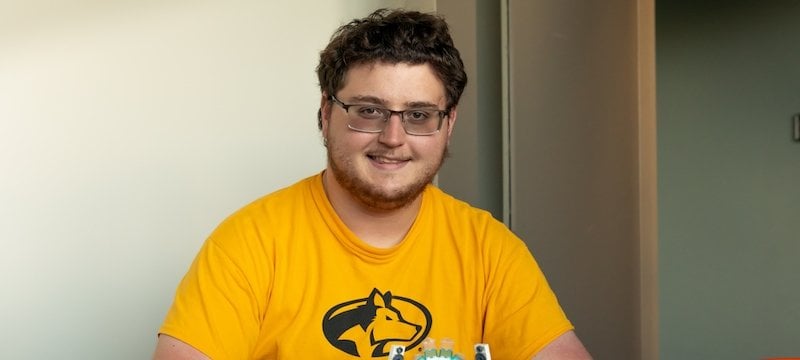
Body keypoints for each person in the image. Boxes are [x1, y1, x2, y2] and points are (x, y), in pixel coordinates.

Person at [153, 8, 591, 360]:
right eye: (369, 110)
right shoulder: (247, 245)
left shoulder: (490, 250)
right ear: (326, 113)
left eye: (419, 115)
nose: (393, 138)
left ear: (448, 124)